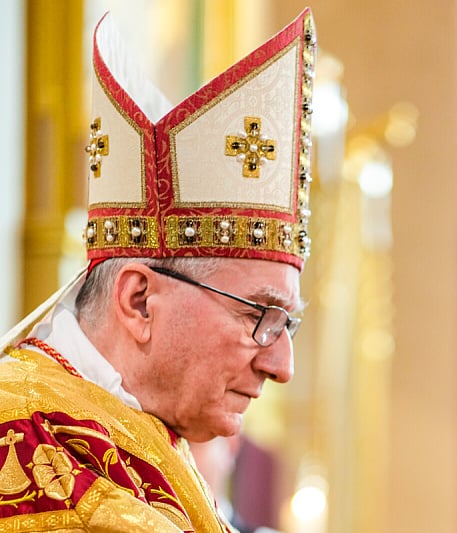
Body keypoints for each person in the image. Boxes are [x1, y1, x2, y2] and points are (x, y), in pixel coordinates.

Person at [0, 7, 316, 532]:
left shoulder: (139, 438)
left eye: (288, 323)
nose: (282, 365)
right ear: (139, 301)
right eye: (261, 314)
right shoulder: (32, 451)